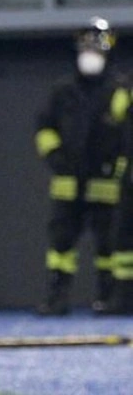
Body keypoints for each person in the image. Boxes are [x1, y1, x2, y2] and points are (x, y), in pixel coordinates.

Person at [34, 17, 130, 316]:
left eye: (96, 49)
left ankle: (108, 297)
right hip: (67, 181)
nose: (90, 55)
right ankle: (57, 298)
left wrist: (118, 166)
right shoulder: (62, 90)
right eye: (86, 48)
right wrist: (54, 156)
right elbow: (44, 127)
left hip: (106, 182)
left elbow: (126, 133)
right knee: (61, 244)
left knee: (108, 245)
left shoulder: (120, 90)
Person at [95, 82, 133, 315]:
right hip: (129, 178)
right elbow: (114, 127)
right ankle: (123, 297)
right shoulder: (124, 92)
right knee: (123, 237)